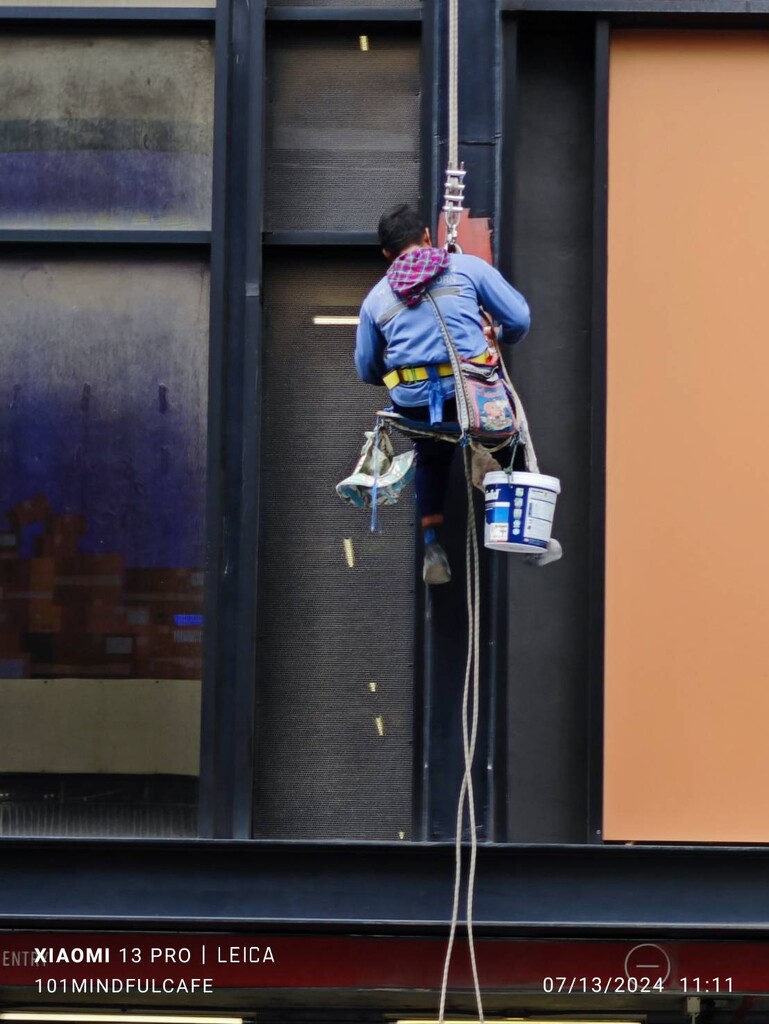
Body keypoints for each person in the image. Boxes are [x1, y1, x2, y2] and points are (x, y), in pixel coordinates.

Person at [355, 204, 532, 585]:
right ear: (428, 237)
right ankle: (525, 533)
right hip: (473, 398)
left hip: (415, 407)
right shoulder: (467, 269)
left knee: (430, 456)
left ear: (387, 253)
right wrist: (499, 338)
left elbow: (367, 368)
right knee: (508, 444)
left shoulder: (375, 300)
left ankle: (433, 543)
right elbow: (518, 319)